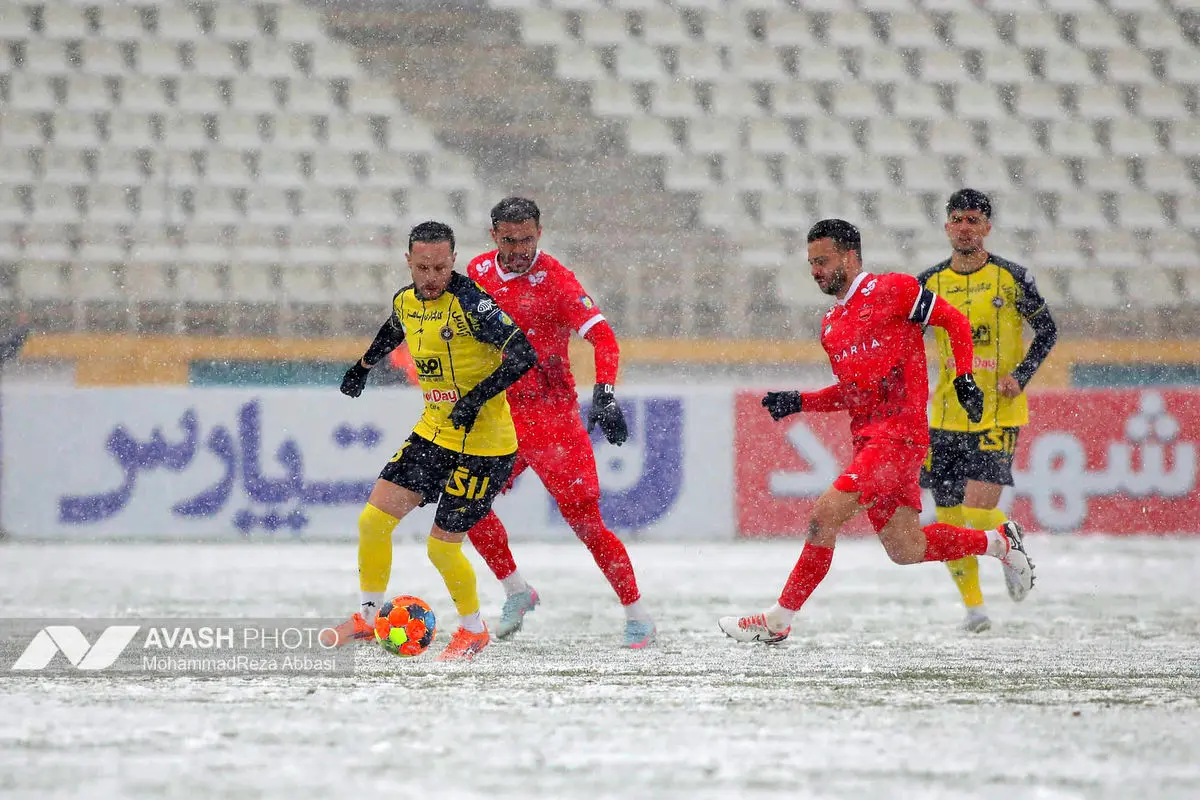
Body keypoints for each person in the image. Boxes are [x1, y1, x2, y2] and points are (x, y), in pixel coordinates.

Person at [718, 219, 1036, 644]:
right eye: (810, 263)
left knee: (823, 517)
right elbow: (856, 393)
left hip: (900, 437)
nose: (814, 270)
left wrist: (962, 379)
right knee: (906, 549)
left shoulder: (894, 290)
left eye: (822, 261)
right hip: (870, 442)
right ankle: (998, 543)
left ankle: (777, 621)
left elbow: (955, 321)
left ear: (850, 257)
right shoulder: (831, 326)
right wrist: (801, 400)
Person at [324, 221, 537, 661]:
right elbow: (394, 327)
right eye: (423, 267)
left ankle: (473, 630)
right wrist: (362, 367)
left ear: (453, 261)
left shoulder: (473, 303)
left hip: (486, 445)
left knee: (441, 547)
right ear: (409, 262)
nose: (431, 277)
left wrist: (475, 399)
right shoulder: (406, 300)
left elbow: (523, 354)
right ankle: (366, 617)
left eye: (440, 267)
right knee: (372, 522)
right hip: (435, 432)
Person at [463, 197, 655, 649]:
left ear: (539, 234)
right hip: (499, 415)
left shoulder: (557, 281)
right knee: (465, 505)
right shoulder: (475, 274)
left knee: (586, 521)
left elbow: (603, 338)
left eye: (527, 239)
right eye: (509, 241)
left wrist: (604, 392)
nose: (519, 249)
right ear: (494, 237)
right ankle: (517, 590)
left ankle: (638, 616)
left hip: (551, 418)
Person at [918, 190, 1058, 632]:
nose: (963, 226)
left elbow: (1048, 329)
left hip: (996, 414)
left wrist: (1021, 375)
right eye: (956, 219)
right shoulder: (928, 284)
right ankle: (974, 609)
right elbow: (904, 341)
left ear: (986, 228)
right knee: (948, 521)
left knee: (977, 516)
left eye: (972, 219)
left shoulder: (1010, 278)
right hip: (943, 416)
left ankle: (1007, 541)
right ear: (946, 227)